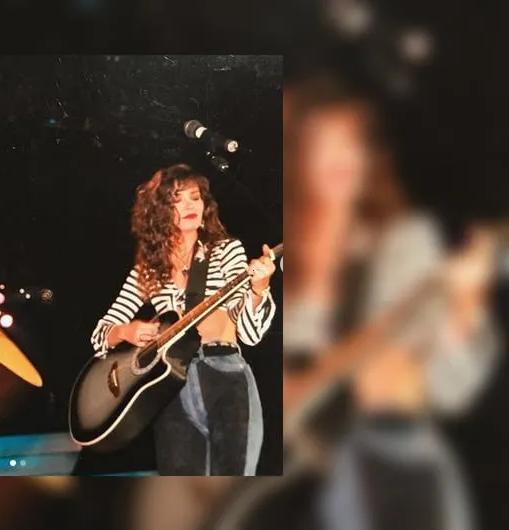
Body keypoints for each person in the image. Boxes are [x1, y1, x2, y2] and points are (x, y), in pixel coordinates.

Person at [279, 73, 500, 530]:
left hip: (396, 473)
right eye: (326, 140)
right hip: (291, 493)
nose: (344, 156)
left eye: (354, 141)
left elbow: (453, 389)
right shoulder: (266, 261)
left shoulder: (404, 244)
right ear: (294, 155)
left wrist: (466, 307)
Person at [90, 162, 278, 476]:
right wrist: (127, 329)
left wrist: (259, 288)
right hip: (169, 389)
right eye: (178, 199)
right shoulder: (148, 270)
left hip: (225, 376)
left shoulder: (225, 250)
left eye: (195, 197)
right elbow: (100, 335)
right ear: (159, 211)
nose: (191, 205)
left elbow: (250, 332)